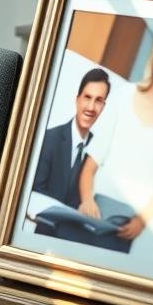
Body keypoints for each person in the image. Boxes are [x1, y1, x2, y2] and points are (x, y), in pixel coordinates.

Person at [77, 23, 153, 255]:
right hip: (95, 211)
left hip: (136, 222)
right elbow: (91, 163)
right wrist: (86, 201)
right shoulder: (124, 94)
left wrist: (141, 222)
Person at [32, 67, 110, 208]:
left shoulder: (98, 150)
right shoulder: (49, 139)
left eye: (98, 100)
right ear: (77, 99)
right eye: (87, 97)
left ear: (103, 106)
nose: (91, 107)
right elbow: (35, 193)